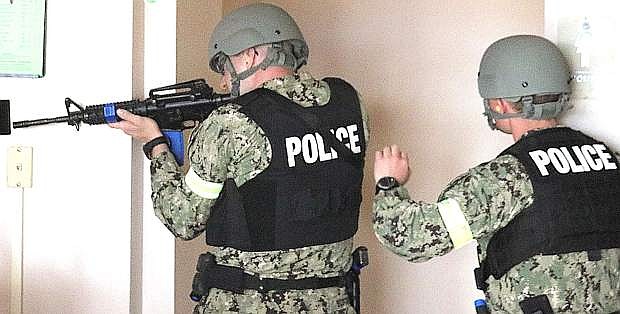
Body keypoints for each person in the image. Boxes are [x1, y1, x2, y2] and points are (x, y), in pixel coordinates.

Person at [110, 3, 369, 313]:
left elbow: (182, 220)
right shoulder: (350, 104)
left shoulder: (230, 122)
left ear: (250, 55)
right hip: (334, 303)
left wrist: (155, 145)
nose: (223, 81)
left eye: (225, 66)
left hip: (249, 303)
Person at [373, 34, 619, 313]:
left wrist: (388, 183)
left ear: (500, 104)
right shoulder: (611, 159)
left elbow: (411, 238)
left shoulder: (503, 179)